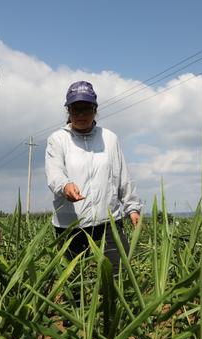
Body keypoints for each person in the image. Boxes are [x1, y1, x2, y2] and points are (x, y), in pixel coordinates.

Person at [45, 81, 142, 275]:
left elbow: (122, 175)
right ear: (68, 110)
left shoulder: (109, 138)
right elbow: (54, 173)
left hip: (108, 223)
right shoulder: (58, 139)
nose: (81, 114)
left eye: (86, 109)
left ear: (95, 109)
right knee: (73, 281)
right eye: (75, 109)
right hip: (71, 226)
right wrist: (65, 186)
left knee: (119, 274)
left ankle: (113, 306)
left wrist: (132, 207)